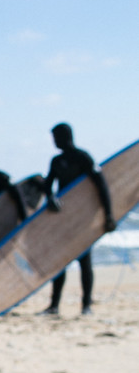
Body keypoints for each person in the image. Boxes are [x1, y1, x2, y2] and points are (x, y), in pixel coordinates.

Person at [40, 123, 115, 316]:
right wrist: (50, 199)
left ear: (66, 137)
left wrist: (108, 215)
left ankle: (86, 305)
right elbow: (48, 186)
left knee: (84, 260)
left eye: (56, 137)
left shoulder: (83, 157)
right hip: (63, 218)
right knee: (60, 261)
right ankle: (54, 305)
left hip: (82, 218)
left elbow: (101, 186)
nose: (54, 142)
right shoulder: (56, 161)